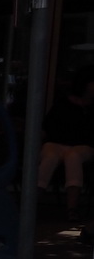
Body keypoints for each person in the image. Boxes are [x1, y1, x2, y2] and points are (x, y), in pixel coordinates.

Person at [40, 68, 94, 216]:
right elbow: (48, 126)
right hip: (57, 143)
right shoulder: (63, 104)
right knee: (50, 155)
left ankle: (72, 207)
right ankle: (33, 200)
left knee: (73, 156)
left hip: (83, 146)